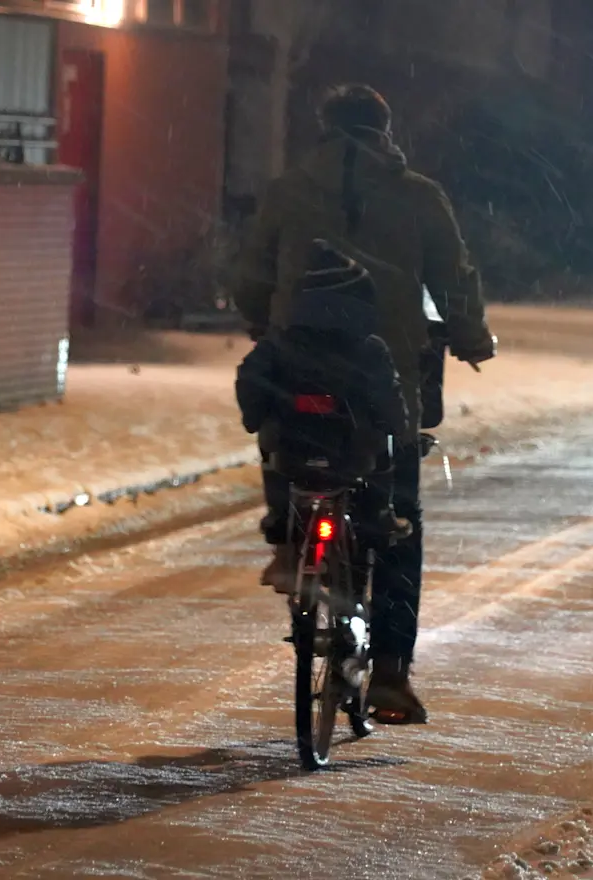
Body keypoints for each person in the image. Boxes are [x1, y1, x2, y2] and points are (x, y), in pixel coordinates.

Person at [232, 83, 495, 725]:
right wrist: (468, 337)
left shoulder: (289, 188)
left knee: (285, 438)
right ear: (385, 130)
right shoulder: (417, 195)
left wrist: (264, 323)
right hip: (389, 374)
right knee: (397, 519)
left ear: (323, 128)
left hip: (299, 363)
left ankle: (291, 543)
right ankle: (390, 676)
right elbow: (453, 278)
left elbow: (250, 273)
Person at [236, 239, 412, 592]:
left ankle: (285, 543)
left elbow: (252, 380)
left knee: (271, 452)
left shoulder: (281, 345)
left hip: (294, 452)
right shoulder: (368, 350)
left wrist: (256, 416)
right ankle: (379, 517)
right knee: (382, 454)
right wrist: (399, 429)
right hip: (352, 455)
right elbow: (387, 400)